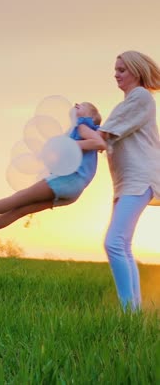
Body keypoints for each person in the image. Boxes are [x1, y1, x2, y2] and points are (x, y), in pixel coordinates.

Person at [0, 101, 106, 243]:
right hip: (74, 190)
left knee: (16, 199)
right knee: (20, 210)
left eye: (83, 105)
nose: (76, 104)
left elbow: (99, 143)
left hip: (70, 180)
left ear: (90, 117)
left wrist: (73, 145)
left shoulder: (83, 125)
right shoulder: (76, 131)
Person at [98, 50, 160, 311]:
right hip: (126, 182)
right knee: (122, 243)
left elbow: (104, 135)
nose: (116, 74)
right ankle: (133, 309)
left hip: (140, 178)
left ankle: (129, 313)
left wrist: (78, 130)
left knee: (113, 242)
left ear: (136, 71)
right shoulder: (126, 103)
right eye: (115, 69)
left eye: (121, 69)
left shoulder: (140, 97)